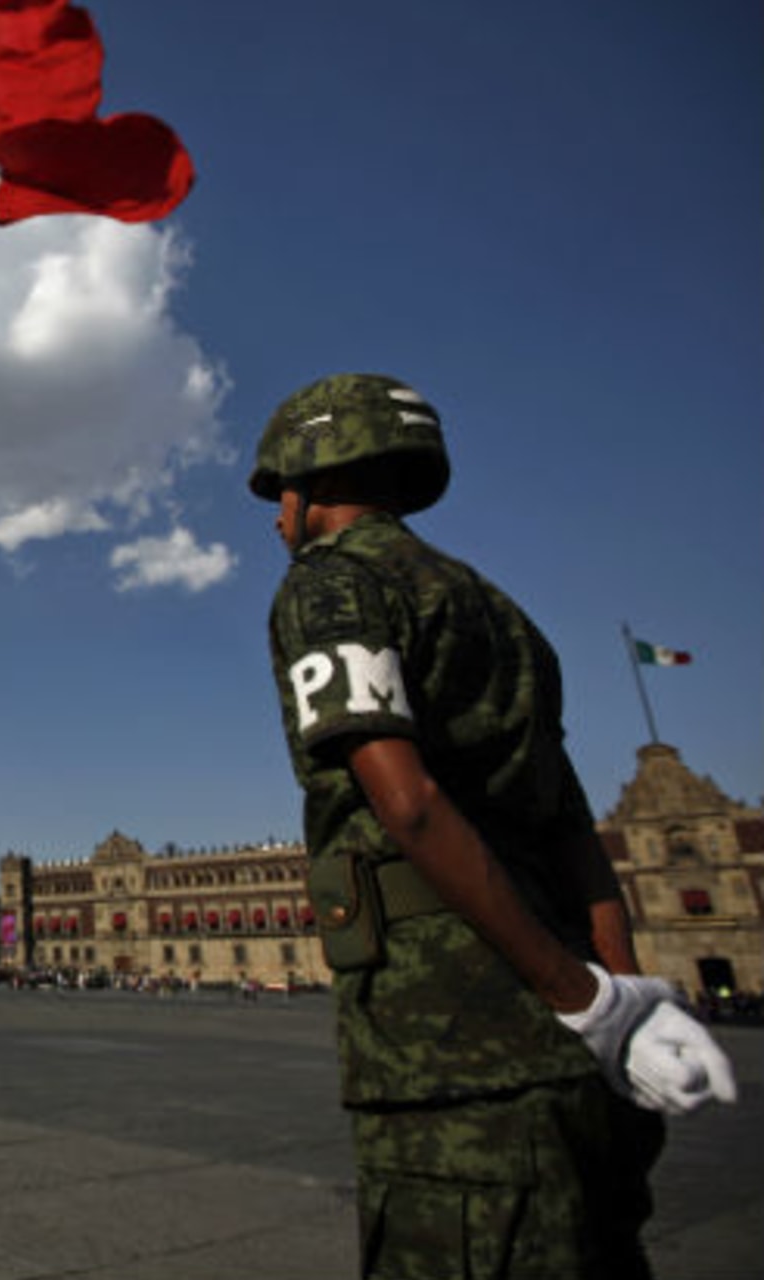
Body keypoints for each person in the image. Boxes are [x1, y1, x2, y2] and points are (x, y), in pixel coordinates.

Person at [250, 373, 737, 1278]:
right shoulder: (496, 609)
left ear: (311, 481)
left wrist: (575, 994)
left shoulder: (332, 586)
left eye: (277, 495)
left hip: (452, 1046)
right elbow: (569, 826)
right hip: (572, 1051)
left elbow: (410, 803)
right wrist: (622, 1004)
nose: (276, 519)